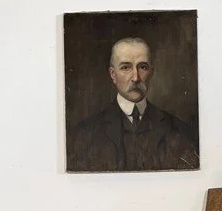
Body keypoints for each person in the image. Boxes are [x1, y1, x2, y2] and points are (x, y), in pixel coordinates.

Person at [67, 37, 199, 172]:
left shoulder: (180, 130)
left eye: (143, 67)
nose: (136, 78)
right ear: (113, 75)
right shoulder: (84, 135)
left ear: (151, 73)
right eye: (125, 67)